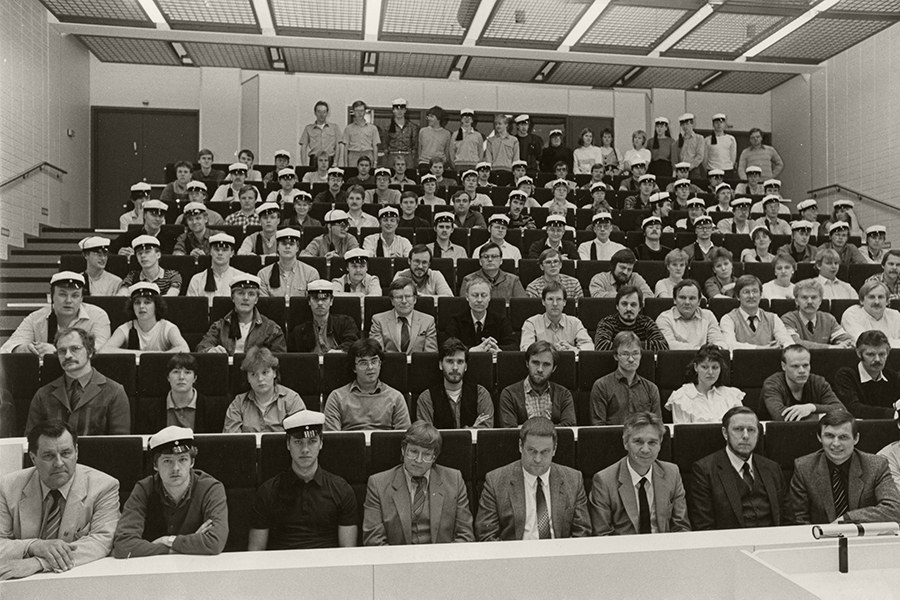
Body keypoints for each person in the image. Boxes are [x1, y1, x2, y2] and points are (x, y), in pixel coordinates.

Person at [0, 420, 119, 581]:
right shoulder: (7, 487)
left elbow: (102, 541)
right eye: (48, 456)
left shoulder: (104, 486)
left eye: (66, 453)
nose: (59, 463)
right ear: (33, 458)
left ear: (76, 452)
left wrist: (38, 563)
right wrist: (33, 545)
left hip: (78, 579)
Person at [112, 426, 228, 557]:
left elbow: (215, 542)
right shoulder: (144, 489)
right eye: (167, 461)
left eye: (183, 459)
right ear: (155, 465)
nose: (176, 468)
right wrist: (177, 549)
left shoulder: (210, 488)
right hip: (155, 568)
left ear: (192, 462)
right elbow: (123, 545)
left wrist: (167, 540)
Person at [249, 411, 357, 550]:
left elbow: (348, 553)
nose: (305, 449)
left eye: (312, 441)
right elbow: (256, 552)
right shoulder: (268, 491)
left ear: (321, 443)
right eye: (298, 442)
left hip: (328, 567)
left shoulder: (341, 489)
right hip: (282, 567)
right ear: (288, 444)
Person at [476, 417, 590, 540]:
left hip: (559, 555)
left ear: (554, 449)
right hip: (515, 556)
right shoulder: (496, 481)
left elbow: (582, 532)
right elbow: (486, 535)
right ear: (520, 446)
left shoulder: (573, 479)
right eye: (531, 451)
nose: (537, 459)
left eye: (545, 452)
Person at [363, 420, 474, 546]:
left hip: (443, 561)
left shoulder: (454, 479)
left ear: (434, 457)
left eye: (426, 454)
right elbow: (373, 540)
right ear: (403, 450)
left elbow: (465, 535)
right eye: (413, 452)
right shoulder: (378, 483)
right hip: (398, 562)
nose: (418, 460)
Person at [788, 411, 900, 525]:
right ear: (819, 437)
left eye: (843, 437)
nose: (836, 443)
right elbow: (799, 519)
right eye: (829, 436)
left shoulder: (876, 465)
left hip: (863, 538)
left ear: (856, 439)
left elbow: (894, 509)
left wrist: (847, 519)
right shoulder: (804, 468)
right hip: (819, 539)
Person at [590, 412, 691, 535]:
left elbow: (681, 527)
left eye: (652, 442)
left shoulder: (672, 473)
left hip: (664, 549)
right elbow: (602, 534)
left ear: (660, 443)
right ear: (625, 443)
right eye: (638, 441)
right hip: (623, 551)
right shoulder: (604, 480)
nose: (645, 450)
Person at [689, 407, 787, 530]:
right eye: (739, 429)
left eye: (751, 430)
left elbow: (787, 518)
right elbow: (704, 526)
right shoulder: (704, 470)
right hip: (728, 545)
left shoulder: (772, 468)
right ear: (725, 433)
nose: (745, 436)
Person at [25, 327, 130, 436]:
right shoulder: (43, 394)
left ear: (90, 351)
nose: (67, 355)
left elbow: (120, 444)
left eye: (75, 349)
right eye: (62, 351)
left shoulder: (114, 392)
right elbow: (31, 441)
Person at [1, 272, 111, 354]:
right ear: (51, 297)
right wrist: (22, 348)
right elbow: (6, 349)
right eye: (63, 294)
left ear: (82, 298)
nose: (68, 301)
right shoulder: (35, 318)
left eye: (75, 296)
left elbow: (99, 351)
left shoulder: (98, 316)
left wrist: (58, 351)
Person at [322, 338, 411, 431]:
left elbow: (404, 437)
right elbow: (332, 439)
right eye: (363, 363)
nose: (370, 367)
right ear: (354, 368)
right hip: (348, 445)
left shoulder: (396, 397)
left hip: (386, 445)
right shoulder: (337, 397)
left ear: (380, 364)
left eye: (374, 361)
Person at [196, 274, 286, 355]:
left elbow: (280, 359)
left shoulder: (271, 329)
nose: (246, 298)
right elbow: (201, 348)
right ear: (232, 298)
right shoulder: (220, 326)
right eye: (241, 293)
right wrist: (210, 350)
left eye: (251, 294)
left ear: (256, 300)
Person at [222, 346, 305, 433]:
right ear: (248, 379)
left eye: (265, 372)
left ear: (274, 373)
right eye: (253, 374)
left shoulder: (292, 400)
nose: (260, 379)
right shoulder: (238, 404)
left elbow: (300, 439)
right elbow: (232, 442)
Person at [415, 339, 494, 429]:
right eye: (450, 361)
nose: (455, 367)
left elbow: (485, 433)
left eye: (460, 362)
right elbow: (426, 437)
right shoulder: (426, 398)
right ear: (440, 365)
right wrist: (470, 430)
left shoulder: (481, 394)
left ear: (466, 366)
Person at [498, 342, 576, 427]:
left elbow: (569, 427)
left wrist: (524, 428)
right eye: (535, 363)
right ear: (527, 363)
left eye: (546, 364)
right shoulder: (509, 394)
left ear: (554, 368)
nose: (540, 369)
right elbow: (510, 431)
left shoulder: (564, 394)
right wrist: (554, 427)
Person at [590, 331, 661, 425]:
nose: (631, 359)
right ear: (616, 356)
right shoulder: (601, 386)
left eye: (635, 353)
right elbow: (598, 425)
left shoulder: (651, 388)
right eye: (625, 354)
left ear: (641, 355)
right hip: (611, 439)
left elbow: (657, 426)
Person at [761, 345, 845, 422]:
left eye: (805, 365)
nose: (802, 371)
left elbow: (842, 411)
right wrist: (821, 416)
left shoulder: (818, 382)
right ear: (784, 366)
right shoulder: (772, 384)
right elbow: (781, 417)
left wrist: (812, 407)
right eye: (795, 366)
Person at [666, 344, 744, 424]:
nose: (710, 372)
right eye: (705, 367)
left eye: (715, 367)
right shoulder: (681, 397)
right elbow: (682, 433)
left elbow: (741, 427)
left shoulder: (732, 395)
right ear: (696, 367)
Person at [102, 283, 190, 354]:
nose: (141, 306)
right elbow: (104, 350)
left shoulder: (167, 327)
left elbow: (184, 349)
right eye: (137, 303)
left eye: (147, 302)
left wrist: (150, 356)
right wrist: (143, 355)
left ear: (156, 306)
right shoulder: (127, 327)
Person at [834, 330, 900, 419]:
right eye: (871, 354)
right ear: (858, 353)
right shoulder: (846, 375)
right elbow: (854, 409)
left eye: (882, 354)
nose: (877, 359)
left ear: (888, 353)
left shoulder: (893, 377)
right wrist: (894, 414)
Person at [143, 353, 215, 432]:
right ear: (168, 377)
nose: (181, 377)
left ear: (195, 378)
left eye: (187, 372)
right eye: (176, 372)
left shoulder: (211, 408)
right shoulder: (152, 409)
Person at [720, 275, 794, 349]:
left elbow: (788, 343)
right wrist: (762, 348)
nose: (751, 296)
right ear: (737, 296)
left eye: (755, 291)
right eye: (746, 292)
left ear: (761, 295)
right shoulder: (728, 319)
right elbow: (729, 345)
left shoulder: (773, 318)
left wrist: (781, 345)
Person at [445, 279, 516, 353]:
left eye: (484, 295)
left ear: (489, 297)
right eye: (475, 295)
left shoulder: (501, 320)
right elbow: (447, 346)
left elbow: (514, 346)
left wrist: (498, 350)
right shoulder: (456, 320)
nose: (479, 300)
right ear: (467, 297)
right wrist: (472, 350)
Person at [369, 278, 438, 354]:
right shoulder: (378, 320)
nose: (404, 301)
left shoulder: (428, 321)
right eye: (399, 297)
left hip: (418, 365)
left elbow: (430, 355)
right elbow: (376, 354)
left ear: (415, 299)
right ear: (392, 301)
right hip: (389, 364)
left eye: (408, 296)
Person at [288, 280, 359, 353]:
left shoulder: (345, 323)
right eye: (315, 299)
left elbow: (354, 343)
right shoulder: (299, 331)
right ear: (309, 301)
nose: (320, 303)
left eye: (324, 299)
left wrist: (339, 351)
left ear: (331, 300)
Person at [781, 278, 853, 348]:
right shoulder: (788, 319)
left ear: (820, 300)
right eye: (804, 297)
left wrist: (843, 344)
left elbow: (847, 340)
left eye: (814, 297)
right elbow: (794, 343)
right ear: (796, 301)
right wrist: (830, 347)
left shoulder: (828, 319)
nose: (809, 302)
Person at [521, 281, 592, 352]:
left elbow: (589, 346)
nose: (555, 304)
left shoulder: (575, 323)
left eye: (559, 299)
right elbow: (526, 349)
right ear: (543, 302)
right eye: (550, 299)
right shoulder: (531, 323)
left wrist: (573, 350)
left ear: (564, 302)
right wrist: (550, 350)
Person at [594, 285, 669, 352]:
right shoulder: (607, 322)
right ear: (617, 306)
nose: (629, 309)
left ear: (640, 308)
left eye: (633, 305)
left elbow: (663, 346)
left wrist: (623, 347)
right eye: (624, 304)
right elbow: (601, 346)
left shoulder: (647, 322)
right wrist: (638, 346)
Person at [656, 279, 726, 349]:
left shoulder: (708, 316)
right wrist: (701, 350)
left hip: (704, 359)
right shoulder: (664, 318)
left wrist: (716, 348)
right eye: (682, 298)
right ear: (674, 300)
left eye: (692, 298)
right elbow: (669, 345)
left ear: (699, 301)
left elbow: (719, 342)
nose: (687, 302)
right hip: (675, 359)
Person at [258, 228, 320, 297]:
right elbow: (264, 304)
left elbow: (312, 302)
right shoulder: (263, 274)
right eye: (284, 244)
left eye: (291, 244)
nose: (287, 247)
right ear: (277, 247)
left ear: (297, 248)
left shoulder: (311, 273)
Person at [186, 233, 248, 301]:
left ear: (232, 253)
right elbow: (191, 308)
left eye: (224, 250)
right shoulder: (197, 280)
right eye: (216, 249)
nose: (220, 253)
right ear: (210, 252)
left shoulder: (241, 278)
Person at [458, 242, 527, 299]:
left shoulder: (513, 280)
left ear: (501, 261)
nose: (490, 260)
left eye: (494, 256)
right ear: (480, 261)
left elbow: (521, 306)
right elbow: (464, 306)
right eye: (486, 257)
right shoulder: (468, 280)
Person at [841, 280, 900, 345]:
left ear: (887, 301)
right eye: (871, 297)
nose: (876, 302)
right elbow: (865, 343)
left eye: (880, 297)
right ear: (861, 300)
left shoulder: (895, 315)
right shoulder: (852, 314)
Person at [589, 248, 653, 298]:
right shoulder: (599, 279)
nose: (625, 272)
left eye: (629, 269)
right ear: (613, 266)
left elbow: (649, 296)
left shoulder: (635, 278)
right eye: (622, 267)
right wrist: (631, 297)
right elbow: (597, 297)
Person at [299, 100, 341, 165]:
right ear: (315, 113)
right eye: (319, 112)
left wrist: (335, 162)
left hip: (329, 160)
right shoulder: (308, 128)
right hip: (314, 160)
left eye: (324, 112)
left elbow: (338, 146)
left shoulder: (334, 128)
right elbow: (303, 147)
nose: (321, 114)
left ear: (327, 113)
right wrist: (304, 164)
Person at [339, 99, 379, 167]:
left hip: (368, 154)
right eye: (357, 111)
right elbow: (346, 147)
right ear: (353, 112)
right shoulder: (348, 128)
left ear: (365, 112)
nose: (359, 113)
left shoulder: (373, 128)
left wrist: (375, 163)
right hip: (353, 156)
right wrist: (345, 164)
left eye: (361, 111)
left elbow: (375, 146)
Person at [418, 105, 453, 171]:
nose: (429, 118)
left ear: (438, 118)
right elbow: (420, 149)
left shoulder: (447, 133)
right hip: (424, 162)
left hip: (439, 164)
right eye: (428, 116)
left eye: (432, 116)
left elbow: (447, 151)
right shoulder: (423, 131)